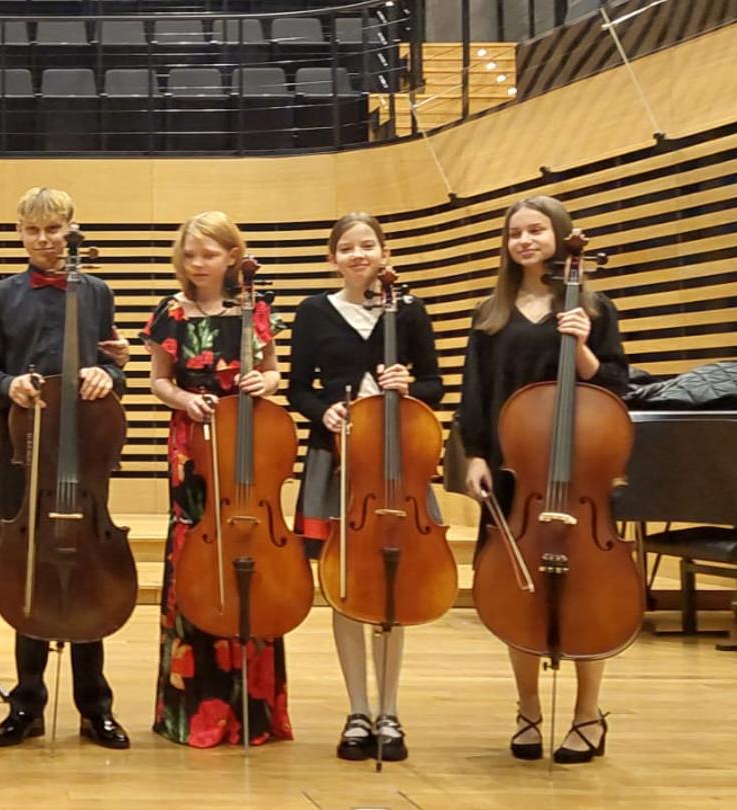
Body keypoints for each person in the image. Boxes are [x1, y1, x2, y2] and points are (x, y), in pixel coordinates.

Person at [453, 195, 629, 765]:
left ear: (560, 235)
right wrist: (473, 456)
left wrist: (579, 346)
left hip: (578, 472)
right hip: (514, 475)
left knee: (588, 591)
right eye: (516, 233)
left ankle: (587, 714)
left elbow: (616, 389)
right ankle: (528, 708)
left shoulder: (594, 307)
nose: (525, 240)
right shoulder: (491, 314)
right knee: (517, 590)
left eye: (537, 230)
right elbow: (473, 396)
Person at [0, 187, 130, 749]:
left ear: (71, 229)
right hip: (26, 449)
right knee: (29, 570)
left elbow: (116, 367)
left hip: (84, 454)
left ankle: (96, 707)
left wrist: (109, 377)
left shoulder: (98, 292)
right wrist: (8, 385)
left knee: (89, 565)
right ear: (19, 233)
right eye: (33, 231)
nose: (44, 241)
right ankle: (27, 704)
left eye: (54, 229)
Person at [285, 213, 444, 762]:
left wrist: (410, 385)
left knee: (393, 590)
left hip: (398, 467)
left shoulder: (410, 308)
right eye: (346, 247)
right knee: (347, 585)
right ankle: (357, 710)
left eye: (367, 245)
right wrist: (323, 411)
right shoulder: (312, 312)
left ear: (383, 251)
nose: (357, 254)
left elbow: (435, 384)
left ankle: (391, 710)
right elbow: (297, 389)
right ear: (333, 257)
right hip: (337, 464)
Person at [142, 210, 293, 749]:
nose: (197, 263)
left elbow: (276, 373)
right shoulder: (172, 312)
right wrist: (185, 398)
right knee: (195, 553)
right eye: (189, 254)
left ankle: (253, 709)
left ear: (233, 257)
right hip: (192, 443)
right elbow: (159, 380)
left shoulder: (255, 309)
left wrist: (264, 381)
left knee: (250, 552)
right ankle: (190, 707)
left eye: (208, 254)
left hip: (246, 439)